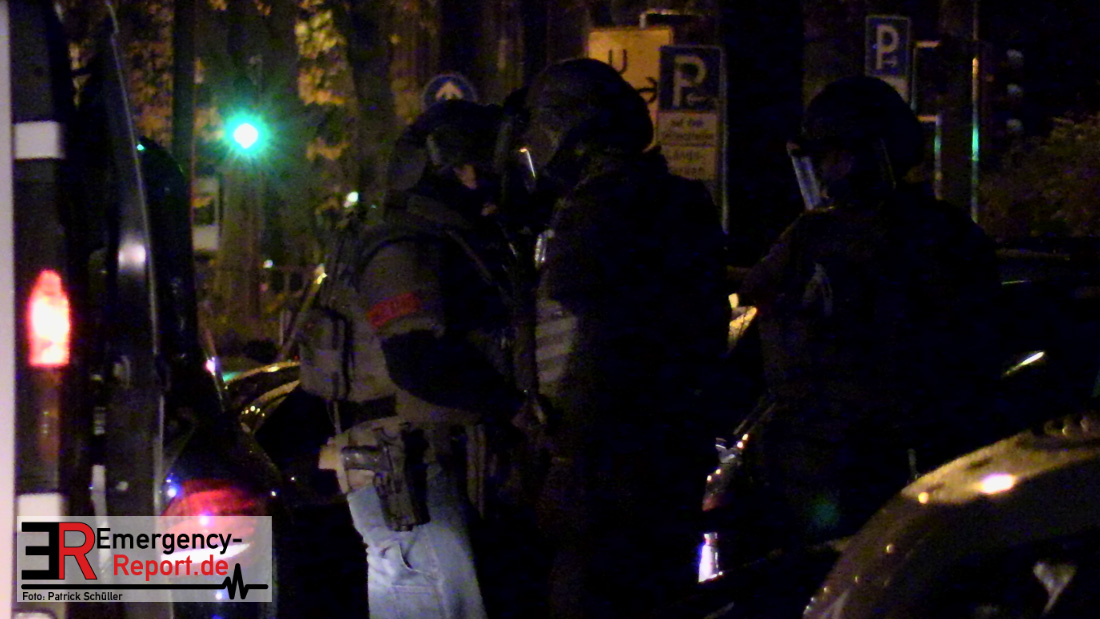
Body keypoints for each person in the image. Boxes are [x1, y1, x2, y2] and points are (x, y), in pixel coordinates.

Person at [739, 76, 1001, 549]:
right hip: (897, 457)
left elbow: (761, 293)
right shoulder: (946, 231)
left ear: (863, 154)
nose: (823, 172)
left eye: (830, 155)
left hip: (852, 458)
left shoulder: (836, 236)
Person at [518, 58, 731, 618]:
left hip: (603, 460)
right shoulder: (679, 200)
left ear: (568, 129)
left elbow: (590, 342)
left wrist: (566, 458)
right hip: (671, 451)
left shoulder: (597, 210)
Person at [317, 99, 528, 619]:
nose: (488, 181)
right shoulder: (402, 247)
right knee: (435, 601)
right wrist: (514, 408)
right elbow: (417, 361)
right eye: (479, 167)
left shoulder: (445, 242)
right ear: (455, 168)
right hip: (407, 467)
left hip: (429, 462)